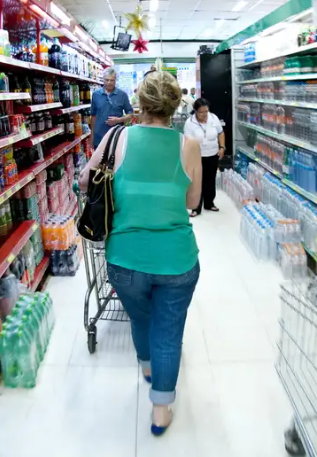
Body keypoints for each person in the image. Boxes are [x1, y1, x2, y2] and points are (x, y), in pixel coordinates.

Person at [79, 71, 202, 436]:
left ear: (140, 103)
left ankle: (147, 367)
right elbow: (193, 202)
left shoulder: (117, 138)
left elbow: (86, 181)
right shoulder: (189, 145)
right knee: (169, 331)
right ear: (174, 106)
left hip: (125, 260)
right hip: (177, 260)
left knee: (141, 319)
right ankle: (161, 409)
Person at [183, 98, 225, 217]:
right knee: (197, 181)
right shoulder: (190, 123)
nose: (205, 114)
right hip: (197, 156)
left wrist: (222, 147)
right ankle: (196, 207)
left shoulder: (213, 118)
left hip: (212, 154)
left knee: (210, 179)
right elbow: (188, 141)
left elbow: (221, 133)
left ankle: (209, 202)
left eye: (206, 111)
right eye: (201, 112)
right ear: (195, 111)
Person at [90, 67, 133, 149]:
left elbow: (130, 115)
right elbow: (93, 116)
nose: (109, 83)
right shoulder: (96, 95)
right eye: (106, 80)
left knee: (115, 161)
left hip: (116, 137)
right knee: (99, 161)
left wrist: (118, 120)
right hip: (99, 138)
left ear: (115, 80)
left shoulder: (122, 95)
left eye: (112, 80)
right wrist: (92, 136)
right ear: (103, 79)